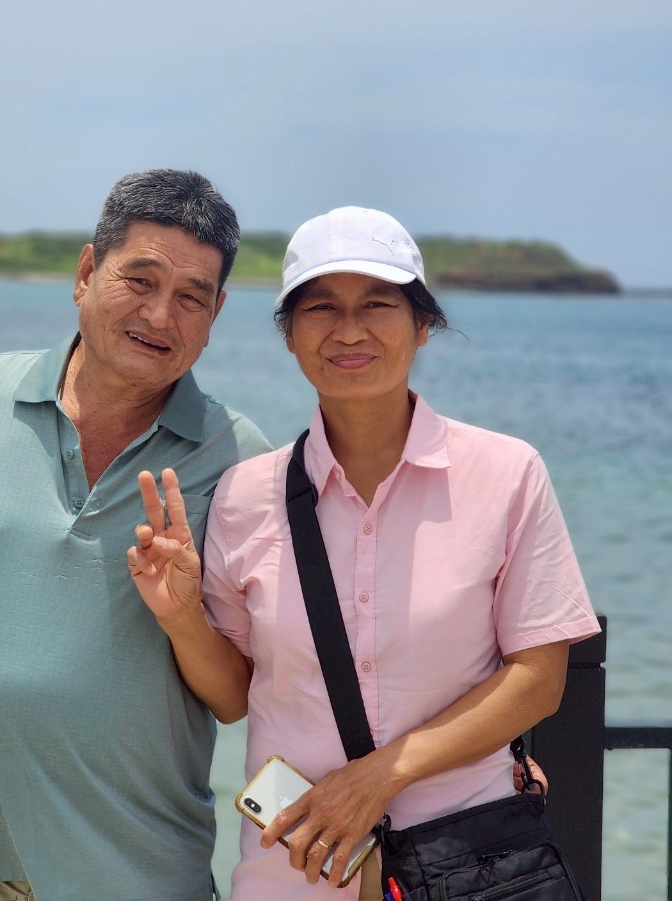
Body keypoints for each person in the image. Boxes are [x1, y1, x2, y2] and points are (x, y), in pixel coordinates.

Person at [128, 205, 600, 900]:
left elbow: (538, 678)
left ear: (423, 323)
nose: (349, 330)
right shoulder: (245, 495)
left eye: (378, 304)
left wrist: (381, 776)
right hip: (295, 874)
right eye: (321, 308)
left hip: (475, 864)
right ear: (290, 334)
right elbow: (232, 698)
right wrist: (180, 617)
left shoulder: (506, 474)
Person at [0, 169, 271, 901]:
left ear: (215, 314)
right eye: (139, 280)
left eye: (191, 297)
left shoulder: (242, 461)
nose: (161, 315)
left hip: (138, 872)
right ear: (86, 274)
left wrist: (182, 617)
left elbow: (239, 698)